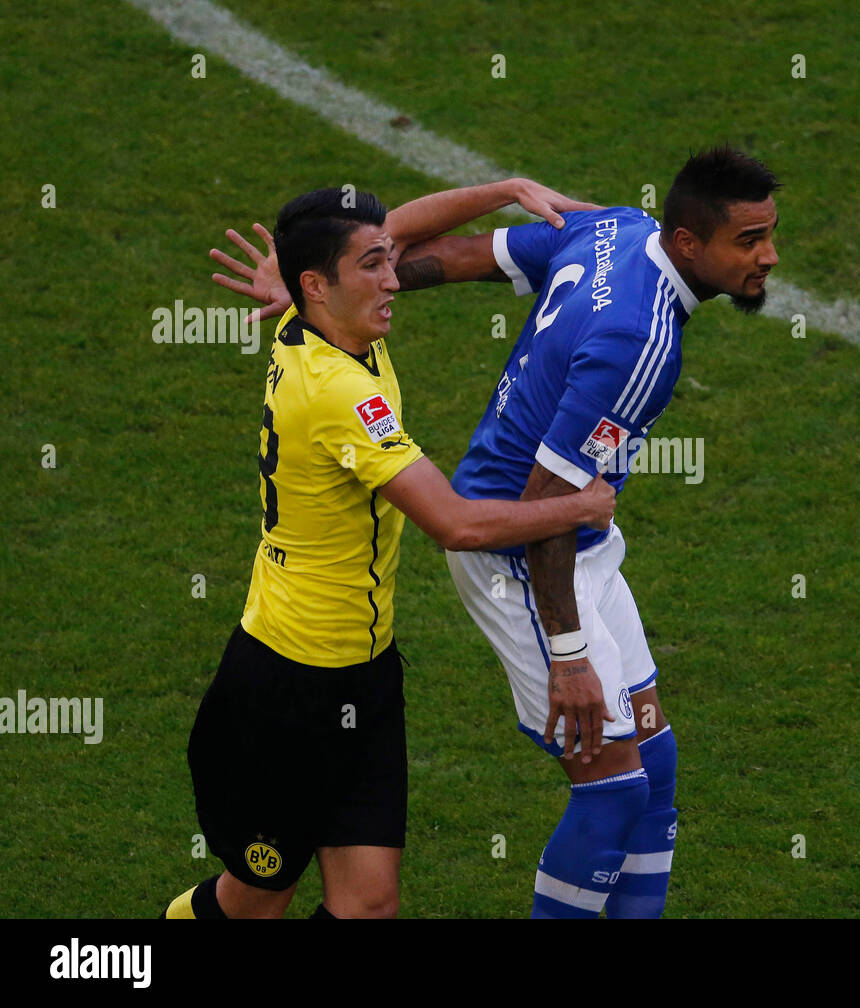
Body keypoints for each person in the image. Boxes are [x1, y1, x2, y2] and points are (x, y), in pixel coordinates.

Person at [214, 147, 781, 918]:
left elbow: (439, 254)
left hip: (529, 569)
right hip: (509, 558)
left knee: (653, 766)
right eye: (749, 241)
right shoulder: (636, 343)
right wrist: (570, 656)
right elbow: (497, 514)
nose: (768, 257)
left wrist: (501, 192)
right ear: (688, 241)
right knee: (613, 789)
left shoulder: (613, 229)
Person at [165, 179, 614, 919]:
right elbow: (455, 524)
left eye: (387, 259)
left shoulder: (312, 319)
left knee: (369, 906)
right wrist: (580, 506)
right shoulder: (341, 394)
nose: (394, 277)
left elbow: (394, 228)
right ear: (317, 285)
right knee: (255, 903)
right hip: (288, 686)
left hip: (364, 674)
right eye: (372, 266)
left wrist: (507, 189)